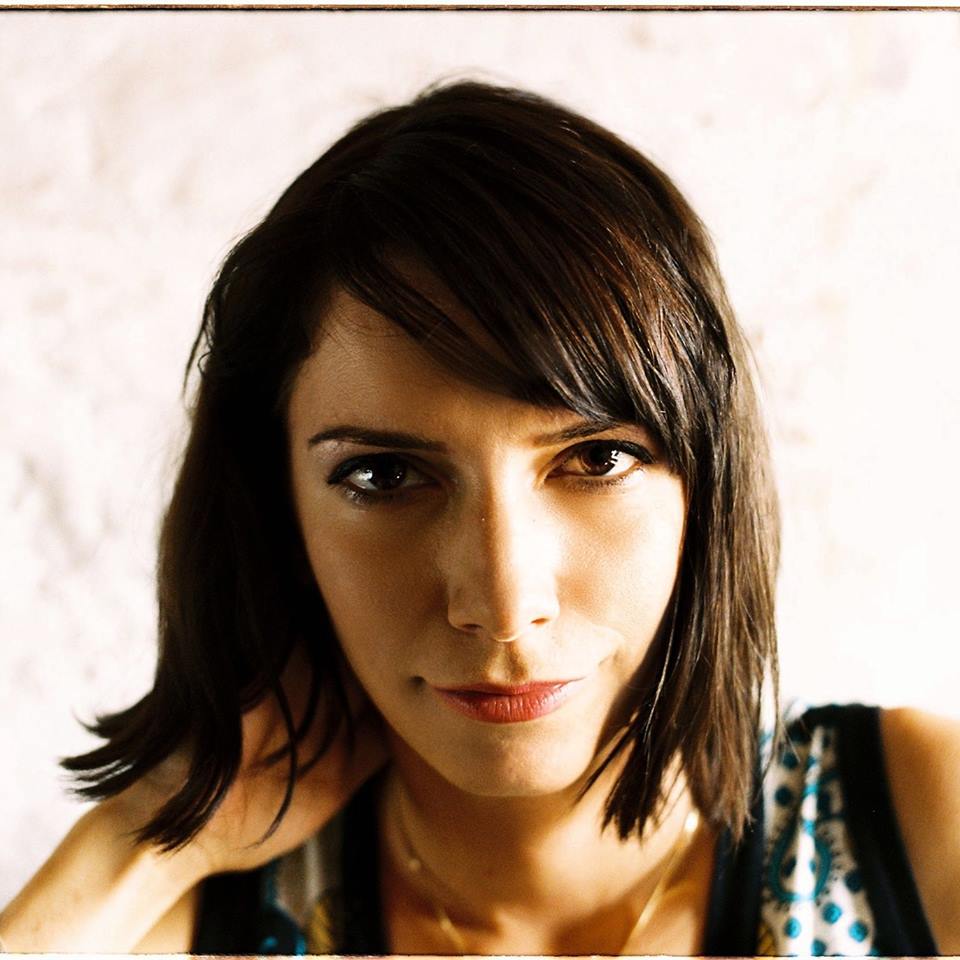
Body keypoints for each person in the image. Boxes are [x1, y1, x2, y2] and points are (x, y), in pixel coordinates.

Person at [1, 80, 958, 956]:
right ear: (276, 512)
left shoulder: (916, 825)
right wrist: (144, 841)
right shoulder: (188, 921)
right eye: (384, 476)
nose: (502, 603)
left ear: (706, 481)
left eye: (597, 459)